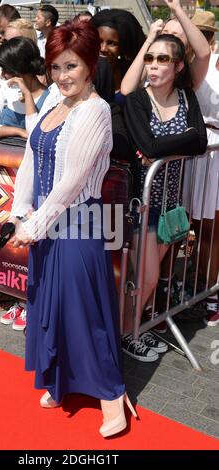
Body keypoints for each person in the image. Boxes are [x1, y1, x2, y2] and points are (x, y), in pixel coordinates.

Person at [8, 19, 137, 438]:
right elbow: (31, 159)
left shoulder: (97, 111)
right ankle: (59, 381)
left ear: (88, 64)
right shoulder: (51, 101)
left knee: (84, 314)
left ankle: (112, 397)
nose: (63, 76)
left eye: (72, 66)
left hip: (78, 227)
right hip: (42, 227)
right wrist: (18, 211)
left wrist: (35, 224)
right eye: (56, 67)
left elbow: (71, 183)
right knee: (50, 307)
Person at [123, 34, 207, 361]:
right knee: (145, 277)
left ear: (178, 66)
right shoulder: (136, 101)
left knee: (146, 279)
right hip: (139, 203)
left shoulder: (186, 97)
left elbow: (199, 143)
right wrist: (182, 141)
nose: (154, 66)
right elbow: (152, 147)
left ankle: (134, 328)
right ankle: (126, 335)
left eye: (163, 60)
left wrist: (164, 149)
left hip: (170, 202)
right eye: (150, 58)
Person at [183, 11, 219, 326]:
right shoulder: (183, 64)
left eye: (206, 33)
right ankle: (193, 284)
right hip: (189, 151)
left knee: (209, 228)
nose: (201, 38)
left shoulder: (213, 64)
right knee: (189, 223)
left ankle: (210, 295)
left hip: (213, 154)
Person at [0, 37, 49, 139]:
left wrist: (27, 95)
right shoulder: (6, 88)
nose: (2, 74)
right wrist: (18, 131)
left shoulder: (49, 98)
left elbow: (33, 136)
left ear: (19, 69)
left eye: (6, 70)